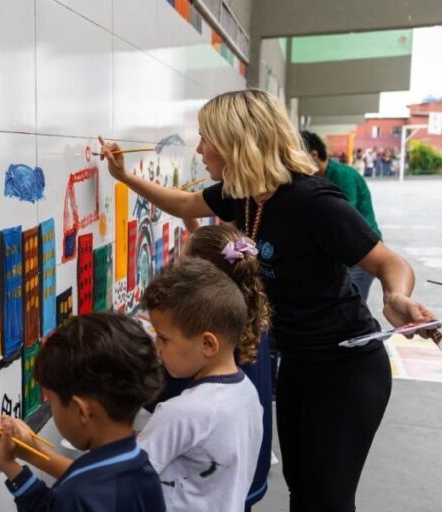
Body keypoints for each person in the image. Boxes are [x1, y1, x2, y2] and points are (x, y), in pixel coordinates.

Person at [99, 88, 440, 511]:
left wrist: (396, 296)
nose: (200, 149)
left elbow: (388, 261)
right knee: (301, 489)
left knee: (327, 500)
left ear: (235, 141)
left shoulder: (314, 202)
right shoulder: (242, 195)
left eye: (206, 138)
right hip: (298, 362)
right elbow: (184, 202)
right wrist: (124, 177)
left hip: (346, 368)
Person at [0, 312, 166, 511]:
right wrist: (13, 463)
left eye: (52, 401)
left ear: (81, 410)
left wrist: (10, 463)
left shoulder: (78, 494)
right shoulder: (142, 469)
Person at [137, 258, 262, 511]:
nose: (157, 347)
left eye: (163, 338)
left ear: (208, 344)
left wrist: (47, 457)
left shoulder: (180, 413)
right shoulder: (247, 393)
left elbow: (119, 483)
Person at [300, 131, 382, 302]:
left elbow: (341, 218)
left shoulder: (344, 176)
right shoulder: (316, 178)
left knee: (353, 305)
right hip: (342, 252)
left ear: (313, 155)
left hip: (362, 251)